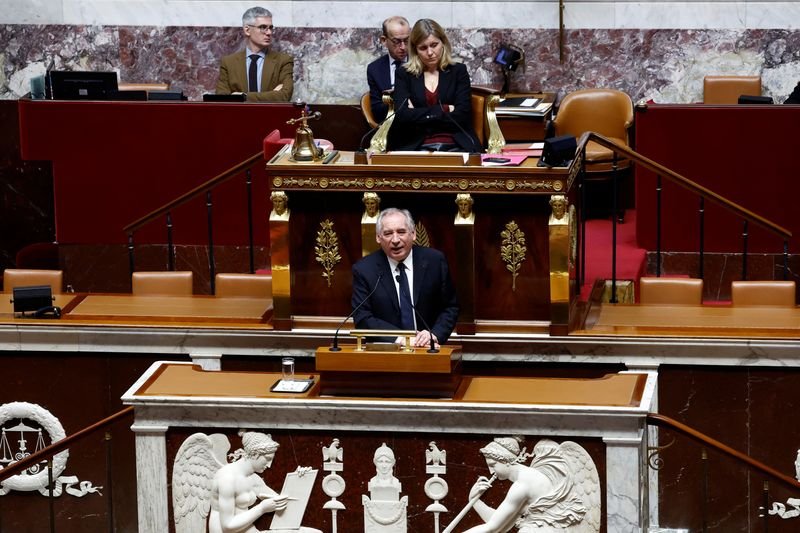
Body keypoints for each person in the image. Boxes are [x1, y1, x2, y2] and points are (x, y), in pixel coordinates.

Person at [351, 207, 459, 347]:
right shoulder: (365, 269)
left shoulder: (435, 261)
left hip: (427, 348)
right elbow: (362, 317)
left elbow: (450, 307)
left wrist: (434, 334)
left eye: (401, 232)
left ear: (413, 234)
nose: (395, 240)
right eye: (388, 233)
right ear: (378, 237)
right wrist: (401, 339)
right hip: (386, 350)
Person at [388, 19, 479, 152]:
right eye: (423, 48)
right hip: (415, 144)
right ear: (415, 50)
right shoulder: (404, 74)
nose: (430, 52)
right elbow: (402, 116)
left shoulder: (458, 71)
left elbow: (462, 114)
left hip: (456, 143)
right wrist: (446, 109)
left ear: (443, 43)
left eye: (434, 45)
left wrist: (418, 114)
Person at [462, 437, 585, 533]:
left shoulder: (522, 486)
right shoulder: (529, 476)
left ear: (506, 460)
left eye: (493, 465)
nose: (491, 471)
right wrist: (475, 501)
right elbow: (502, 524)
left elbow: (493, 528)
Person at [209, 431, 321, 533]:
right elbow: (228, 525)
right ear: (256, 454)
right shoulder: (227, 478)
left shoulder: (252, 478)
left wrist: (299, 479)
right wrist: (262, 508)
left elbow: (282, 502)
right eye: (267, 459)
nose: (269, 465)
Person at [216, 7, 293, 102]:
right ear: (247, 30)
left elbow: (284, 96)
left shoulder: (283, 60)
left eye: (271, 28)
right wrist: (272, 95)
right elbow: (222, 99)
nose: (269, 32)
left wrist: (242, 96)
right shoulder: (228, 62)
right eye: (263, 27)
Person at [366, 16, 411, 122]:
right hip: (390, 124)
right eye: (397, 41)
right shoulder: (375, 69)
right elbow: (377, 111)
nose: (403, 47)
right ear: (384, 40)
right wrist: (397, 98)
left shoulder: (420, 62)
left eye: (406, 40)